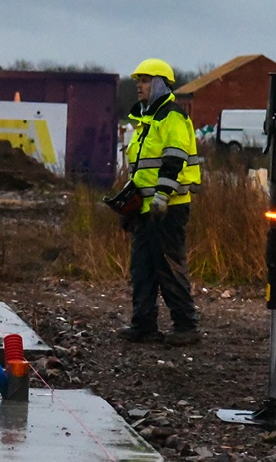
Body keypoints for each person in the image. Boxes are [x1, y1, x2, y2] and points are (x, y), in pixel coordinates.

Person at [119, 58, 201, 345]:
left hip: (169, 207)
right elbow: (142, 170)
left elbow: (174, 159)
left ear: (158, 84)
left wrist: (162, 196)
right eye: (138, 80)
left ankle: (186, 326)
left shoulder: (172, 117)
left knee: (169, 266)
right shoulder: (147, 120)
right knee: (142, 268)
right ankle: (143, 325)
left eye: (144, 81)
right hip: (146, 207)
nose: (138, 86)